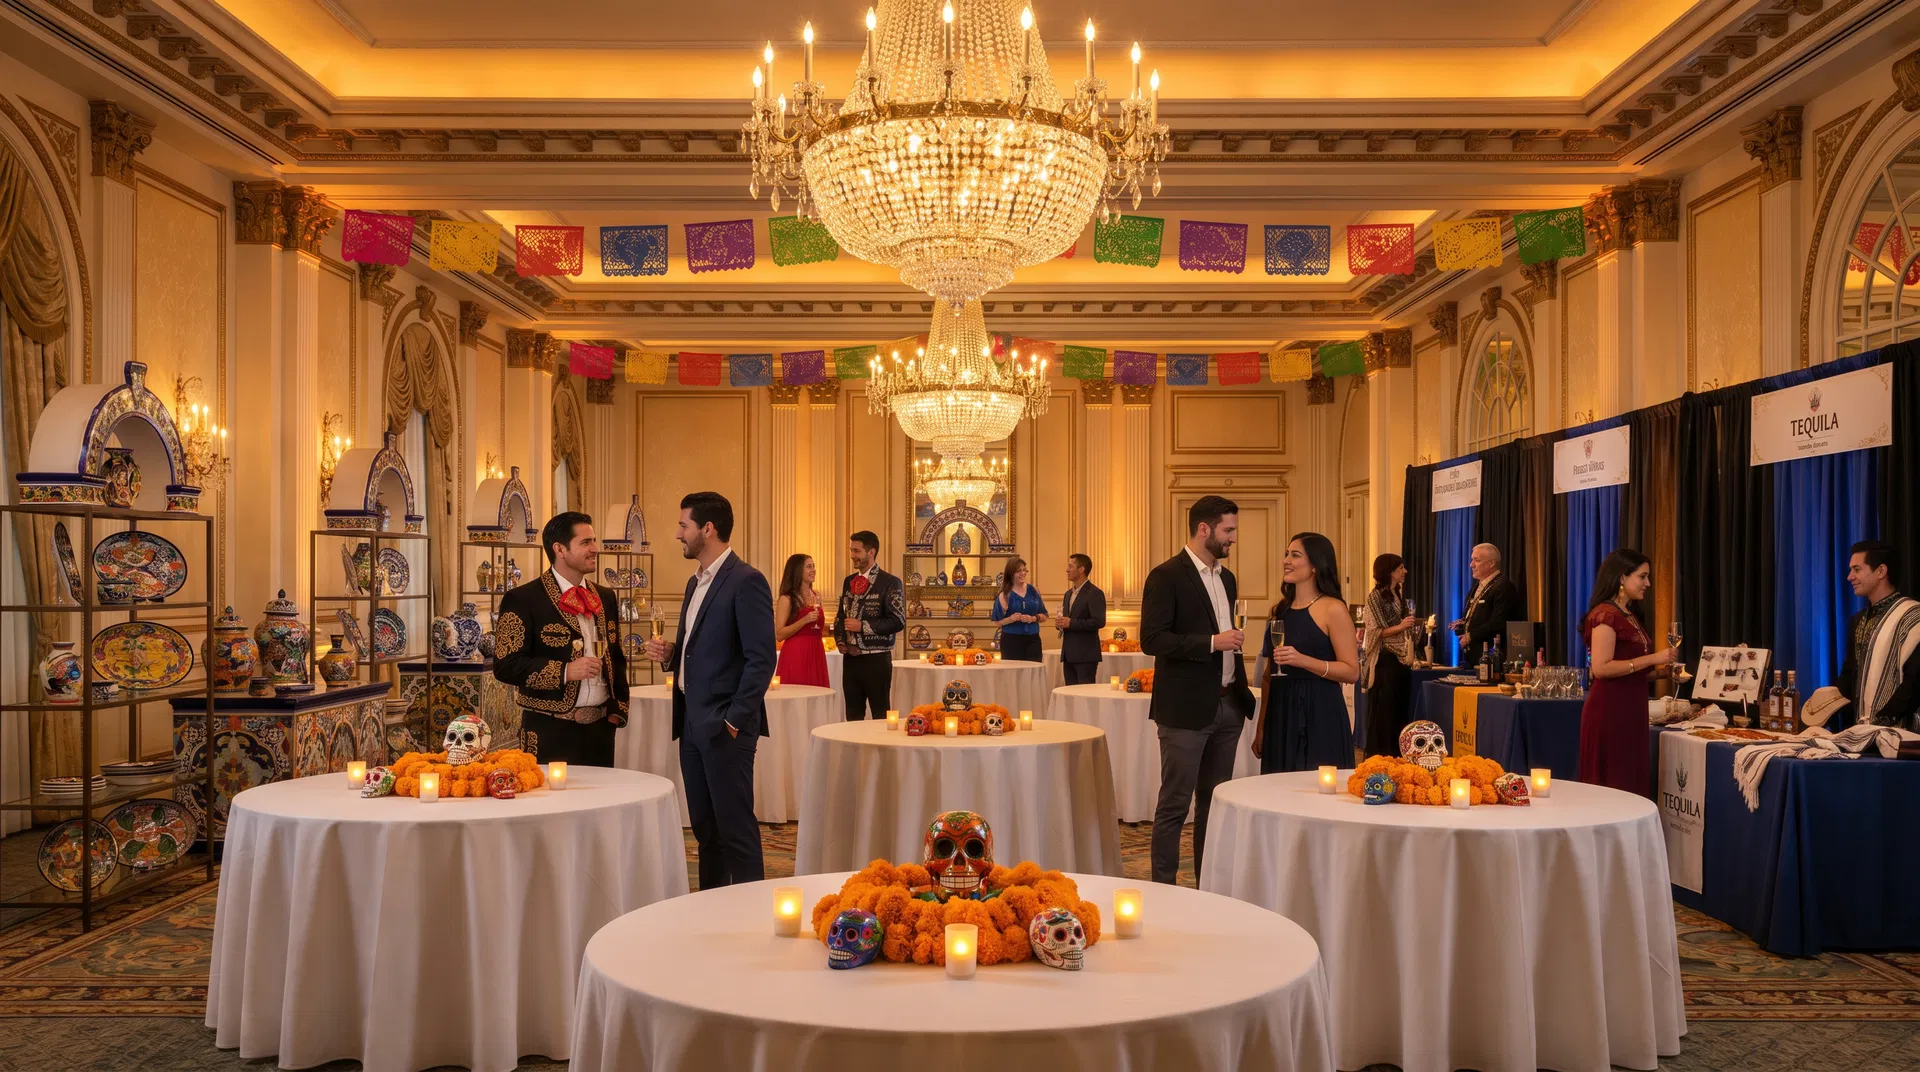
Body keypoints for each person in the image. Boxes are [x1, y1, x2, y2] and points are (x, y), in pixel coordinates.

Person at [644, 492, 774, 889]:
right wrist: (671, 654)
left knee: (736, 830)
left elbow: (761, 660)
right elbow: (699, 649)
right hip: (691, 722)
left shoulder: (747, 581)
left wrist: (733, 720)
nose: (678, 534)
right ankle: (711, 907)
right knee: (705, 831)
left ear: (708, 529)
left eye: (683, 526)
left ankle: (752, 910)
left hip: (724, 726)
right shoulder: (694, 582)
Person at [1140, 495, 1256, 886]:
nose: (1233, 538)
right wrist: (1211, 642)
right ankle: (1164, 890)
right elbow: (1152, 639)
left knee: (1213, 804)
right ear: (1203, 529)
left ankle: (1208, 887)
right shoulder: (1166, 576)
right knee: (1175, 804)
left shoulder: (1228, 578)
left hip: (1228, 707)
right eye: (1228, 530)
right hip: (1184, 710)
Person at [492, 511, 629, 766]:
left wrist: (617, 710)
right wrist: (565, 671)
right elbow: (505, 665)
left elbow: (616, 657)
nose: (595, 549)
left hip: (601, 730)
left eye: (594, 541)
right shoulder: (522, 599)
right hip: (548, 730)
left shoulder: (605, 596)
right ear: (560, 549)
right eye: (585, 542)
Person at [1253, 533, 1359, 772]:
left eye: (1295, 555)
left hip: (1321, 710)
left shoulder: (1334, 609)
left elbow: (1352, 672)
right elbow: (1268, 677)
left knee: (1317, 786)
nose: (1286, 561)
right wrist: (1261, 728)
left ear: (1315, 565)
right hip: (1281, 711)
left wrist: (1303, 661)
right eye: (1286, 554)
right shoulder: (1279, 610)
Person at [1575, 549, 1676, 796]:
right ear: (1622, 577)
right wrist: (1653, 658)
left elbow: (1629, 671)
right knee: (1613, 784)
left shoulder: (1629, 614)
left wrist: (1661, 673)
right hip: (1610, 711)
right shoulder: (1605, 614)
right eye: (1642, 576)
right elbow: (1601, 668)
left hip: (1631, 710)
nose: (1648, 584)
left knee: (1629, 781)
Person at [1837, 540, 1920, 731]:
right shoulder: (1859, 620)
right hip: (1862, 732)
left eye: (1857, 569)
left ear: (1881, 571)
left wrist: (1880, 722)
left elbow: (1915, 682)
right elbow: (1849, 674)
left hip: (1902, 736)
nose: (1850, 577)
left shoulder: (1913, 616)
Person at [832, 530, 905, 720]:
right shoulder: (849, 581)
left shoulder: (890, 582)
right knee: (852, 715)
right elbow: (841, 615)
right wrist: (840, 640)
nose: (852, 555)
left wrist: (862, 626)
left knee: (880, 715)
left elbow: (897, 621)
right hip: (851, 660)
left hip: (876, 659)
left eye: (856, 551)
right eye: (851, 550)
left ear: (871, 552)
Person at [1359, 554, 1422, 757]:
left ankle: (1397, 755)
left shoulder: (1397, 594)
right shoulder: (1375, 596)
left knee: (1399, 710)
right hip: (1386, 661)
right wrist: (1401, 626)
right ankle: (1382, 755)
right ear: (1389, 571)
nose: (1405, 572)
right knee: (1384, 712)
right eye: (1400, 568)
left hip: (1401, 661)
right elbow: (1376, 631)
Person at [1452, 542, 1522, 667]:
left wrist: (1470, 636)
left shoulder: (1503, 586)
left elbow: (1498, 623)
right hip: (1474, 658)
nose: (1471, 565)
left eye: (1477, 560)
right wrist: (1463, 623)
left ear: (1492, 563)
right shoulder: (1478, 586)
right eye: (1472, 560)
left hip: (1492, 660)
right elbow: (1481, 617)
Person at [773, 553, 831, 688]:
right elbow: (779, 634)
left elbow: (819, 628)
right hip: (796, 653)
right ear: (797, 570)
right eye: (809, 566)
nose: (813, 570)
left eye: (813, 566)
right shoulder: (787, 599)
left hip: (816, 652)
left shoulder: (817, 595)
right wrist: (804, 620)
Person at [1054, 553, 1107, 685]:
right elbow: (1068, 619)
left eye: (1070, 566)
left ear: (1081, 569)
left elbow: (1099, 621)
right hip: (1068, 654)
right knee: (1069, 693)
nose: (1067, 570)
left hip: (1086, 655)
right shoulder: (1068, 594)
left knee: (1085, 693)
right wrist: (1060, 624)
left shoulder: (1095, 593)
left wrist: (1071, 623)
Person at [991, 557, 1047, 662]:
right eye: (1018, 571)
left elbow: (1044, 616)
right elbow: (997, 622)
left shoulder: (1034, 591)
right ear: (1011, 573)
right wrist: (1011, 619)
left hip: (1033, 640)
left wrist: (1033, 618)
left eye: (1024, 570)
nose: (1023, 573)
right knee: (1013, 670)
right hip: (1011, 641)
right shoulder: (1004, 595)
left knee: (1033, 669)